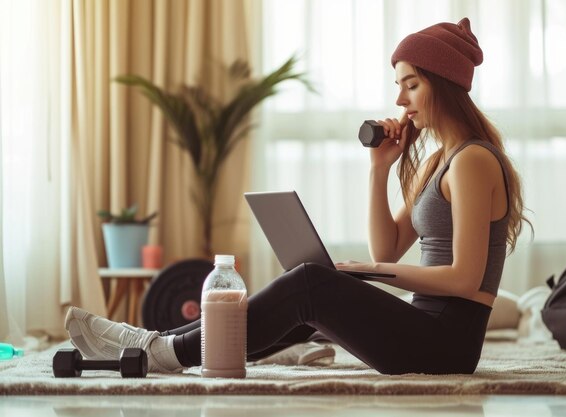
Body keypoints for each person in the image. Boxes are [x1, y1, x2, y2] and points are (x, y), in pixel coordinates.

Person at [65, 17, 530, 375]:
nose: (400, 101)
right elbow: (386, 248)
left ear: (444, 86)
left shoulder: (473, 160)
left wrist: (370, 273)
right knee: (311, 298)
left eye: (412, 85)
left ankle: (163, 351)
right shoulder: (438, 162)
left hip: (444, 344)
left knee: (312, 283)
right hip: (424, 331)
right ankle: (158, 343)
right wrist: (379, 170)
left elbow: (465, 280)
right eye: (399, 87)